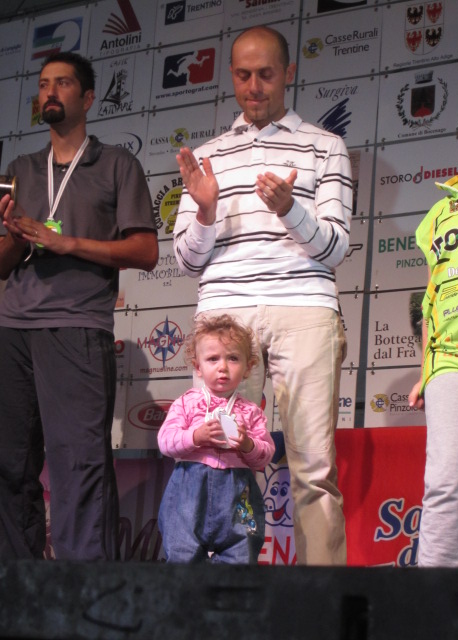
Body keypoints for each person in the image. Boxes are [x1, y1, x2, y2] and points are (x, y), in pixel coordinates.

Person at [173, 26, 352, 565]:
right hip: (225, 312)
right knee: (218, 459)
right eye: (244, 75)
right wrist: (205, 211)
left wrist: (289, 209)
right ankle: (227, 584)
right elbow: (186, 260)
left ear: (289, 73)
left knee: (313, 468)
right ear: (232, 75)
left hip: (305, 305)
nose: (254, 87)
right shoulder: (207, 157)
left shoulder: (325, 146)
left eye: (267, 74)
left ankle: (323, 597)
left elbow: (335, 247)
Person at [0, 51, 158, 560]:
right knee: (10, 463)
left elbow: (145, 251)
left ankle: (84, 590)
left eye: (63, 83)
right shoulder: (19, 170)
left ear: (88, 98)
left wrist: (67, 243)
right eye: (44, 83)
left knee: (78, 464)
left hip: (76, 325)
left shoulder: (117, 164)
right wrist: (17, 238)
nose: (50, 91)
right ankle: (18, 585)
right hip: (12, 327)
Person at [408, 104, 458, 567]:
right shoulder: (441, 213)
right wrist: (425, 370)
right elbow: (432, 297)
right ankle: (430, 603)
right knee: (449, 482)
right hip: (452, 360)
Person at [158, 313, 274, 563]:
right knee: (182, 556)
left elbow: (265, 456)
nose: (223, 367)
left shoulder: (251, 411)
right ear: (198, 367)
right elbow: (165, 441)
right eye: (213, 359)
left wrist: (248, 445)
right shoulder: (186, 403)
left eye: (233, 358)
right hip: (188, 491)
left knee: (242, 555)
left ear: (248, 367)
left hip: (238, 492)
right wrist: (195, 436)